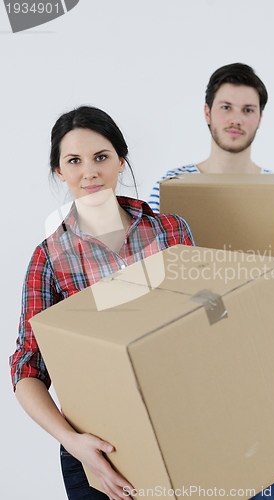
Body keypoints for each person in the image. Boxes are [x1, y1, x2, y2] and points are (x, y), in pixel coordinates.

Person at [149, 63, 274, 499]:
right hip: (192, 379)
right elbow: (151, 282)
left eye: (248, 109)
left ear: (260, 117)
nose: (235, 118)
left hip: (267, 381)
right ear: (206, 112)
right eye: (226, 107)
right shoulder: (170, 189)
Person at [10, 106, 195, 500]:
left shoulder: (169, 232)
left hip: (182, 428)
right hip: (98, 452)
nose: (89, 172)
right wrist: (73, 442)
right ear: (59, 171)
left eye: (101, 157)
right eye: (74, 161)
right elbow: (27, 367)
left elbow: (204, 324)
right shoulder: (50, 259)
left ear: (121, 161)